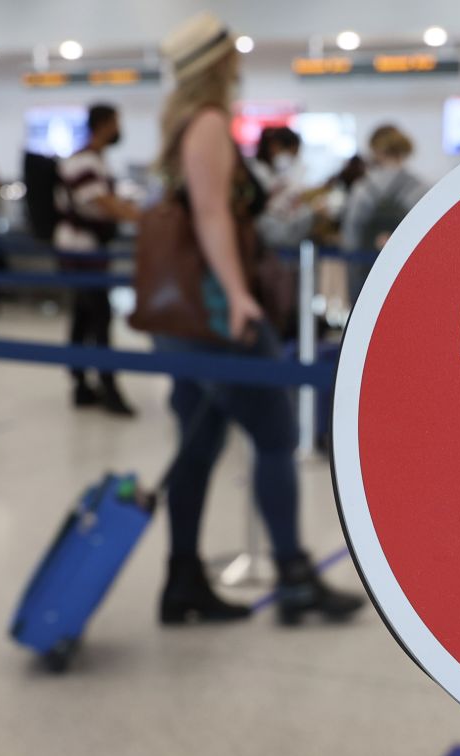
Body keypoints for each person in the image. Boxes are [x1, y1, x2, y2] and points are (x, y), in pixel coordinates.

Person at [152, 13, 363, 625]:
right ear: (219, 64)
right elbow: (213, 217)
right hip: (220, 316)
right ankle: (295, 578)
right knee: (273, 436)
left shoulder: (179, 125)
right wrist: (241, 296)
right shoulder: (211, 123)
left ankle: (182, 579)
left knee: (197, 444)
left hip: (183, 316)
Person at [57, 103, 141, 413]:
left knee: (84, 316)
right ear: (104, 124)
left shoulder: (94, 161)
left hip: (88, 248)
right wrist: (143, 219)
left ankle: (81, 382)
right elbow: (103, 203)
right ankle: (105, 385)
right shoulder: (84, 162)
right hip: (81, 249)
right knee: (98, 317)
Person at [341, 124, 429, 304]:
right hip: (405, 272)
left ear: (375, 150)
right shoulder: (420, 187)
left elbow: (351, 235)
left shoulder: (363, 188)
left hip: (367, 269)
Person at [251, 126, 314, 251]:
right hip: (267, 233)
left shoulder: (274, 172)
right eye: (293, 152)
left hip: (280, 231)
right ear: (275, 146)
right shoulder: (259, 171)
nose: (294, 158)